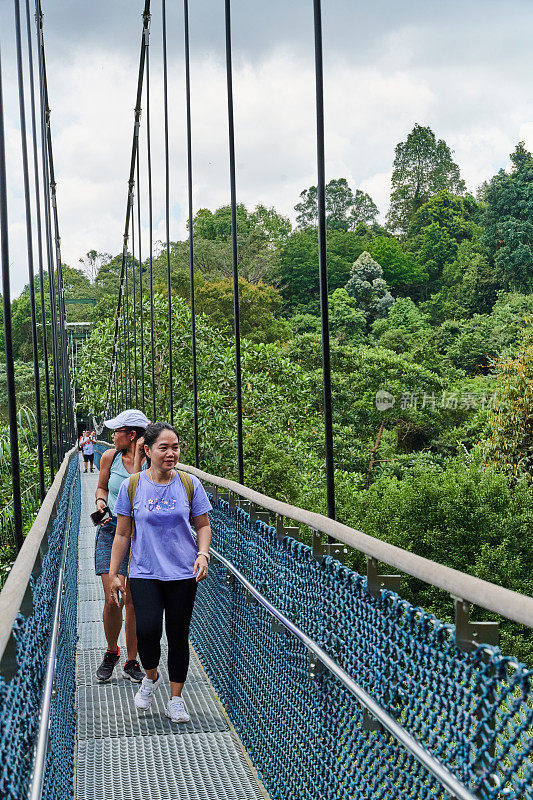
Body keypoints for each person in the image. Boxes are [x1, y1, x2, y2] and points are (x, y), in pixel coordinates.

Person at [109, 421, 212, 723]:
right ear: (148, 450)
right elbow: (123, 534)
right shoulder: (133, 485)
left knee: (178, 635)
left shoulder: (190, 484)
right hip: (145, 571)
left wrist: (203, 554)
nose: (171, 453)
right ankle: (150, 677)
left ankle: (176, 698)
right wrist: (116, 573)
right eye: (164, 448)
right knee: (147, 632)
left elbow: (203, 525)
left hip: (183, 572)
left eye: (175, 447)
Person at [94, 409, 150, 683]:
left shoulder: (153, 463)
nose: (111, 435)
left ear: (132, 435)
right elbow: (102, 487)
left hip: (140, 536)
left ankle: (131, 661)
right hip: (110, 531)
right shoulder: (109, 457)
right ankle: (111, 651)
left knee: (133, 602)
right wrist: (100, 503)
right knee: (112, 599)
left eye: (116, 431)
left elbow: (139, 491)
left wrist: (140, 457)